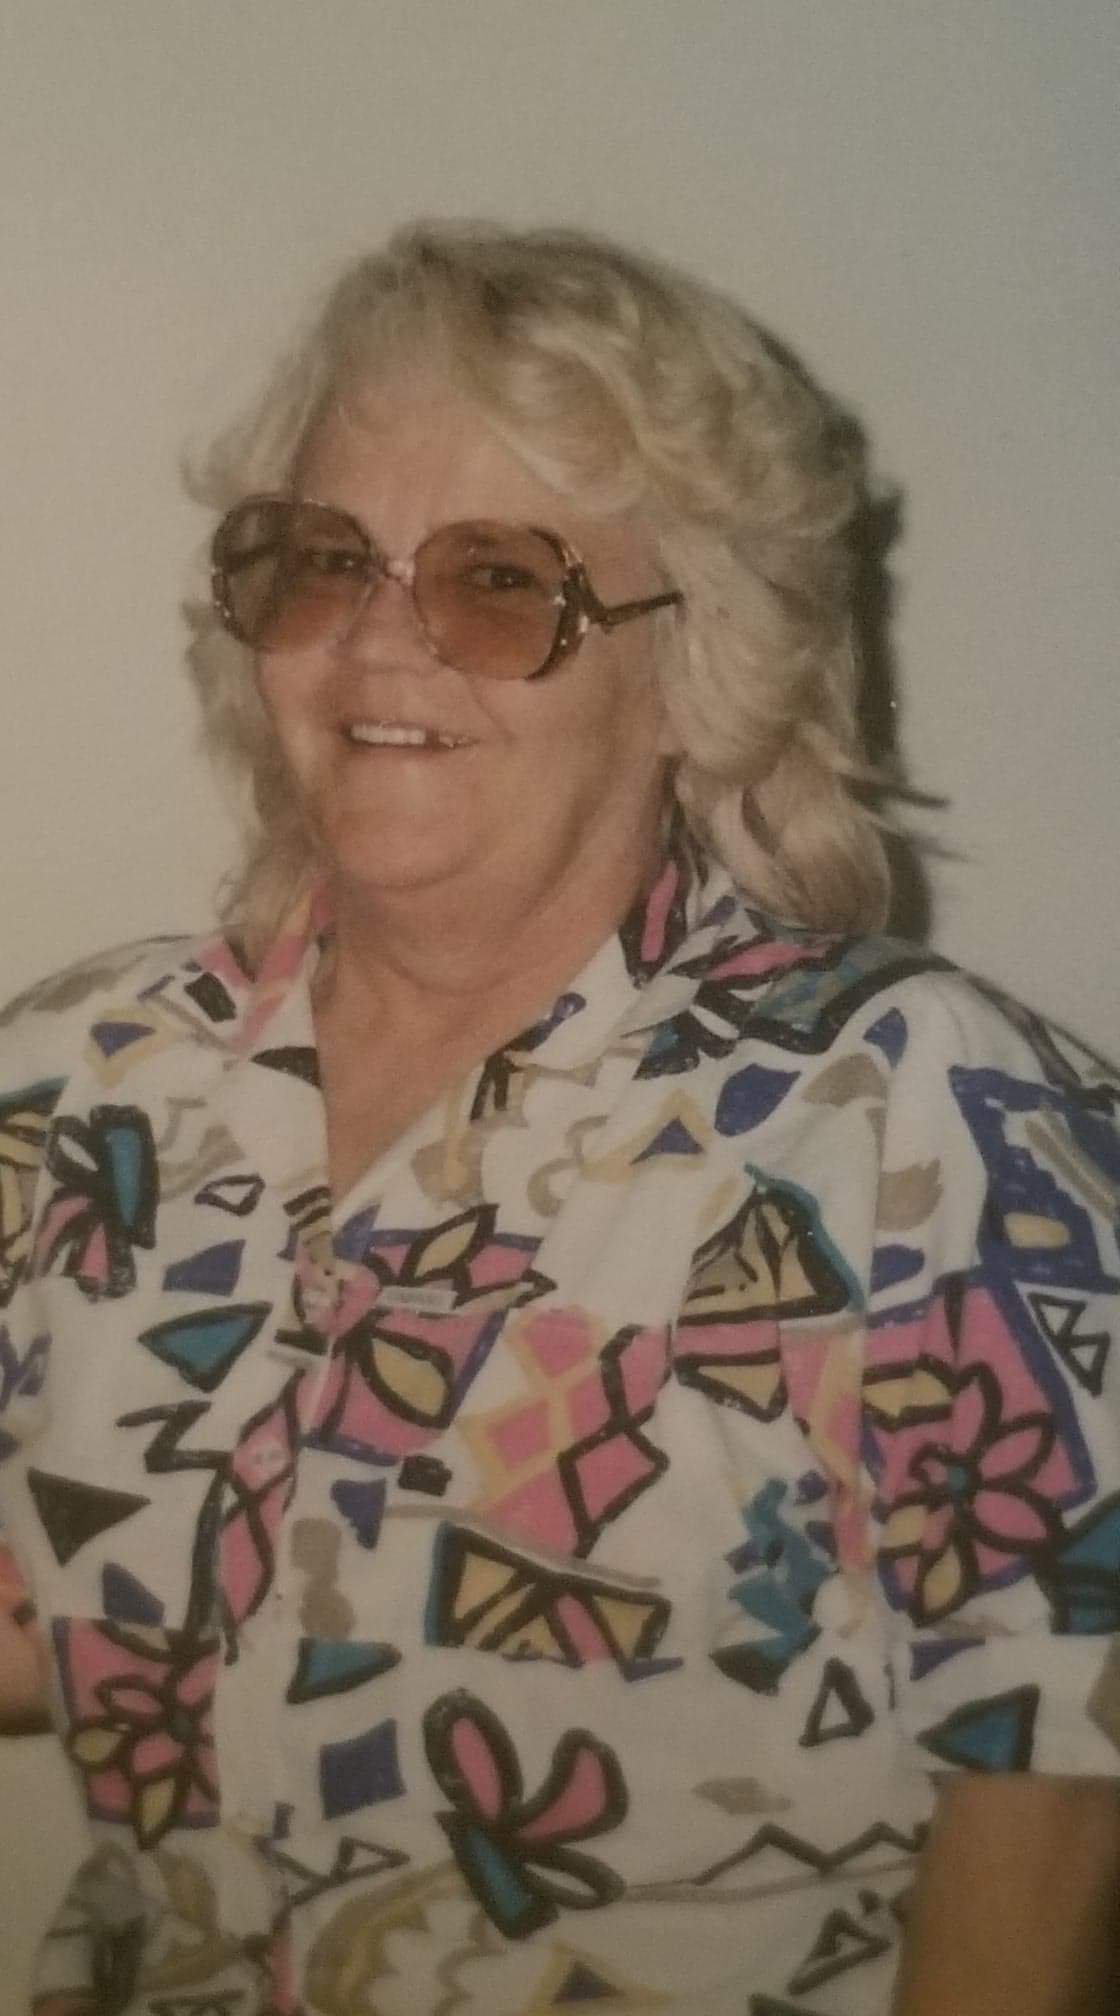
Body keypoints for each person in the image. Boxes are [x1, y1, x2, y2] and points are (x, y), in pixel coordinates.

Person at [1, 221, 1117, 2016]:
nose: (379, 641)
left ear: (697, 669)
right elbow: (70, 1599)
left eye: (499, 583)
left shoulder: (915, 1122)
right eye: (321, 562)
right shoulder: (83, 1082)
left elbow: (1059, 1779)